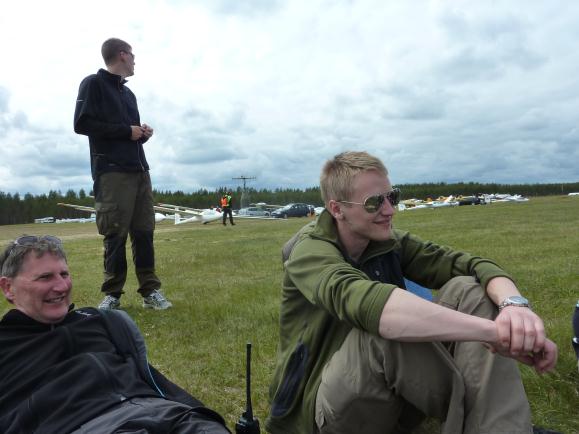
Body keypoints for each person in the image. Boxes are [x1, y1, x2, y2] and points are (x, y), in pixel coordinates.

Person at [266, 151, 559, 434]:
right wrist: (495, 334)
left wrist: (514, 307)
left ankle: (497, 427)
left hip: (385, 398)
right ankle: (485, 417)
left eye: (392, 197)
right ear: (337, 209)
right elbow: (371, 305)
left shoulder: (385, 241)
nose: (390, 210)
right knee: (383, 331)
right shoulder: (308, 251)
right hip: (321, 412)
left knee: (469, 289)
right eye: (373, 203)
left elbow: (471, 266)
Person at [0, 235, 229, 434]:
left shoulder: (101, 321)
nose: (62, 286)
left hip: (162, 413)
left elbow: (154, 381)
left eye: (64, 274)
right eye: (45, 277)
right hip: (80, 425)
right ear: (8, 288)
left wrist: (199, 415)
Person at [74, 37, 171, 311]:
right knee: (115, 233)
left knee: (144, 232)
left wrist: (141, 134)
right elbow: (82, 123)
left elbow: (127, 133)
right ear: (122, 55)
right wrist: (126, 130)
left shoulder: (129, 95)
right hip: (112, 173)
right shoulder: (92, 83)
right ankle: (113, 295)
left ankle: (150, 292)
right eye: (133, 54)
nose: (135, 60)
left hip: (140, 170)